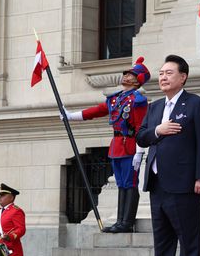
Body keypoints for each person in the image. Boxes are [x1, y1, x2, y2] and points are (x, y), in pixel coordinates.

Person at [63, 57, 150, 233]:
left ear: (138, 80)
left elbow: (141, 127)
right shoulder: (115, 99)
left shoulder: (138, 100)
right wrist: (71, 116)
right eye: (126, 73)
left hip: (131, 145)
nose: (126, 76)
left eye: (131, 74)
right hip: (117, 145)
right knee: (121, 184)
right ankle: (120, 221)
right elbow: (96, 111)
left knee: (129, 184)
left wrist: (140, 153)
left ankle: (127, 222)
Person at [136, 54, 200, 256]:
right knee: (162, 244)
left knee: (190, 243)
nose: (163, 77)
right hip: (157, 184)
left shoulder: (197, 104)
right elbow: (141, 137)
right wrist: (158, 131)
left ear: (183, 77)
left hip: (184, 184)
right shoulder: (155, 107)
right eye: (161, 73)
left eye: (169, 73)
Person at [0, 183, 26, 256]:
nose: (0, 197)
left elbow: (21, 229)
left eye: (3, 195)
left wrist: (10, 236)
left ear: (11, 197)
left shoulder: (16, 211)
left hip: (10, 249)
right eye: (0, 195)